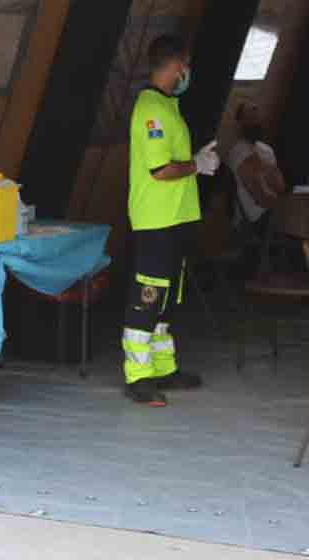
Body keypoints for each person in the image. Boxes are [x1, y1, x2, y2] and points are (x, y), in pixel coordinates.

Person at [123, 35, 217, 407]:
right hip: (156, 219)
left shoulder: (168, 105)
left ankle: (163, 367)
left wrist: (195, 159)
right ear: (177, 66)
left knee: (166, 300)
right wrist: (197, 165)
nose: (187, 73)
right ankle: (139, 375)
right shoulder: (152, 110)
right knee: (148, 296)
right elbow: (160, 169)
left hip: (175, 217)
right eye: (186, 66)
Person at [227, 102, 288, 230]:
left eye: (257, 116)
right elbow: (260, 197)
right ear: (240, 123)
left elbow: (280, 186)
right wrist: (286, 208)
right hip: (256, 217)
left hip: (273, 209)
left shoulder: (266, 150)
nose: (256, 121)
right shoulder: (238, 151)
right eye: (250, 117)